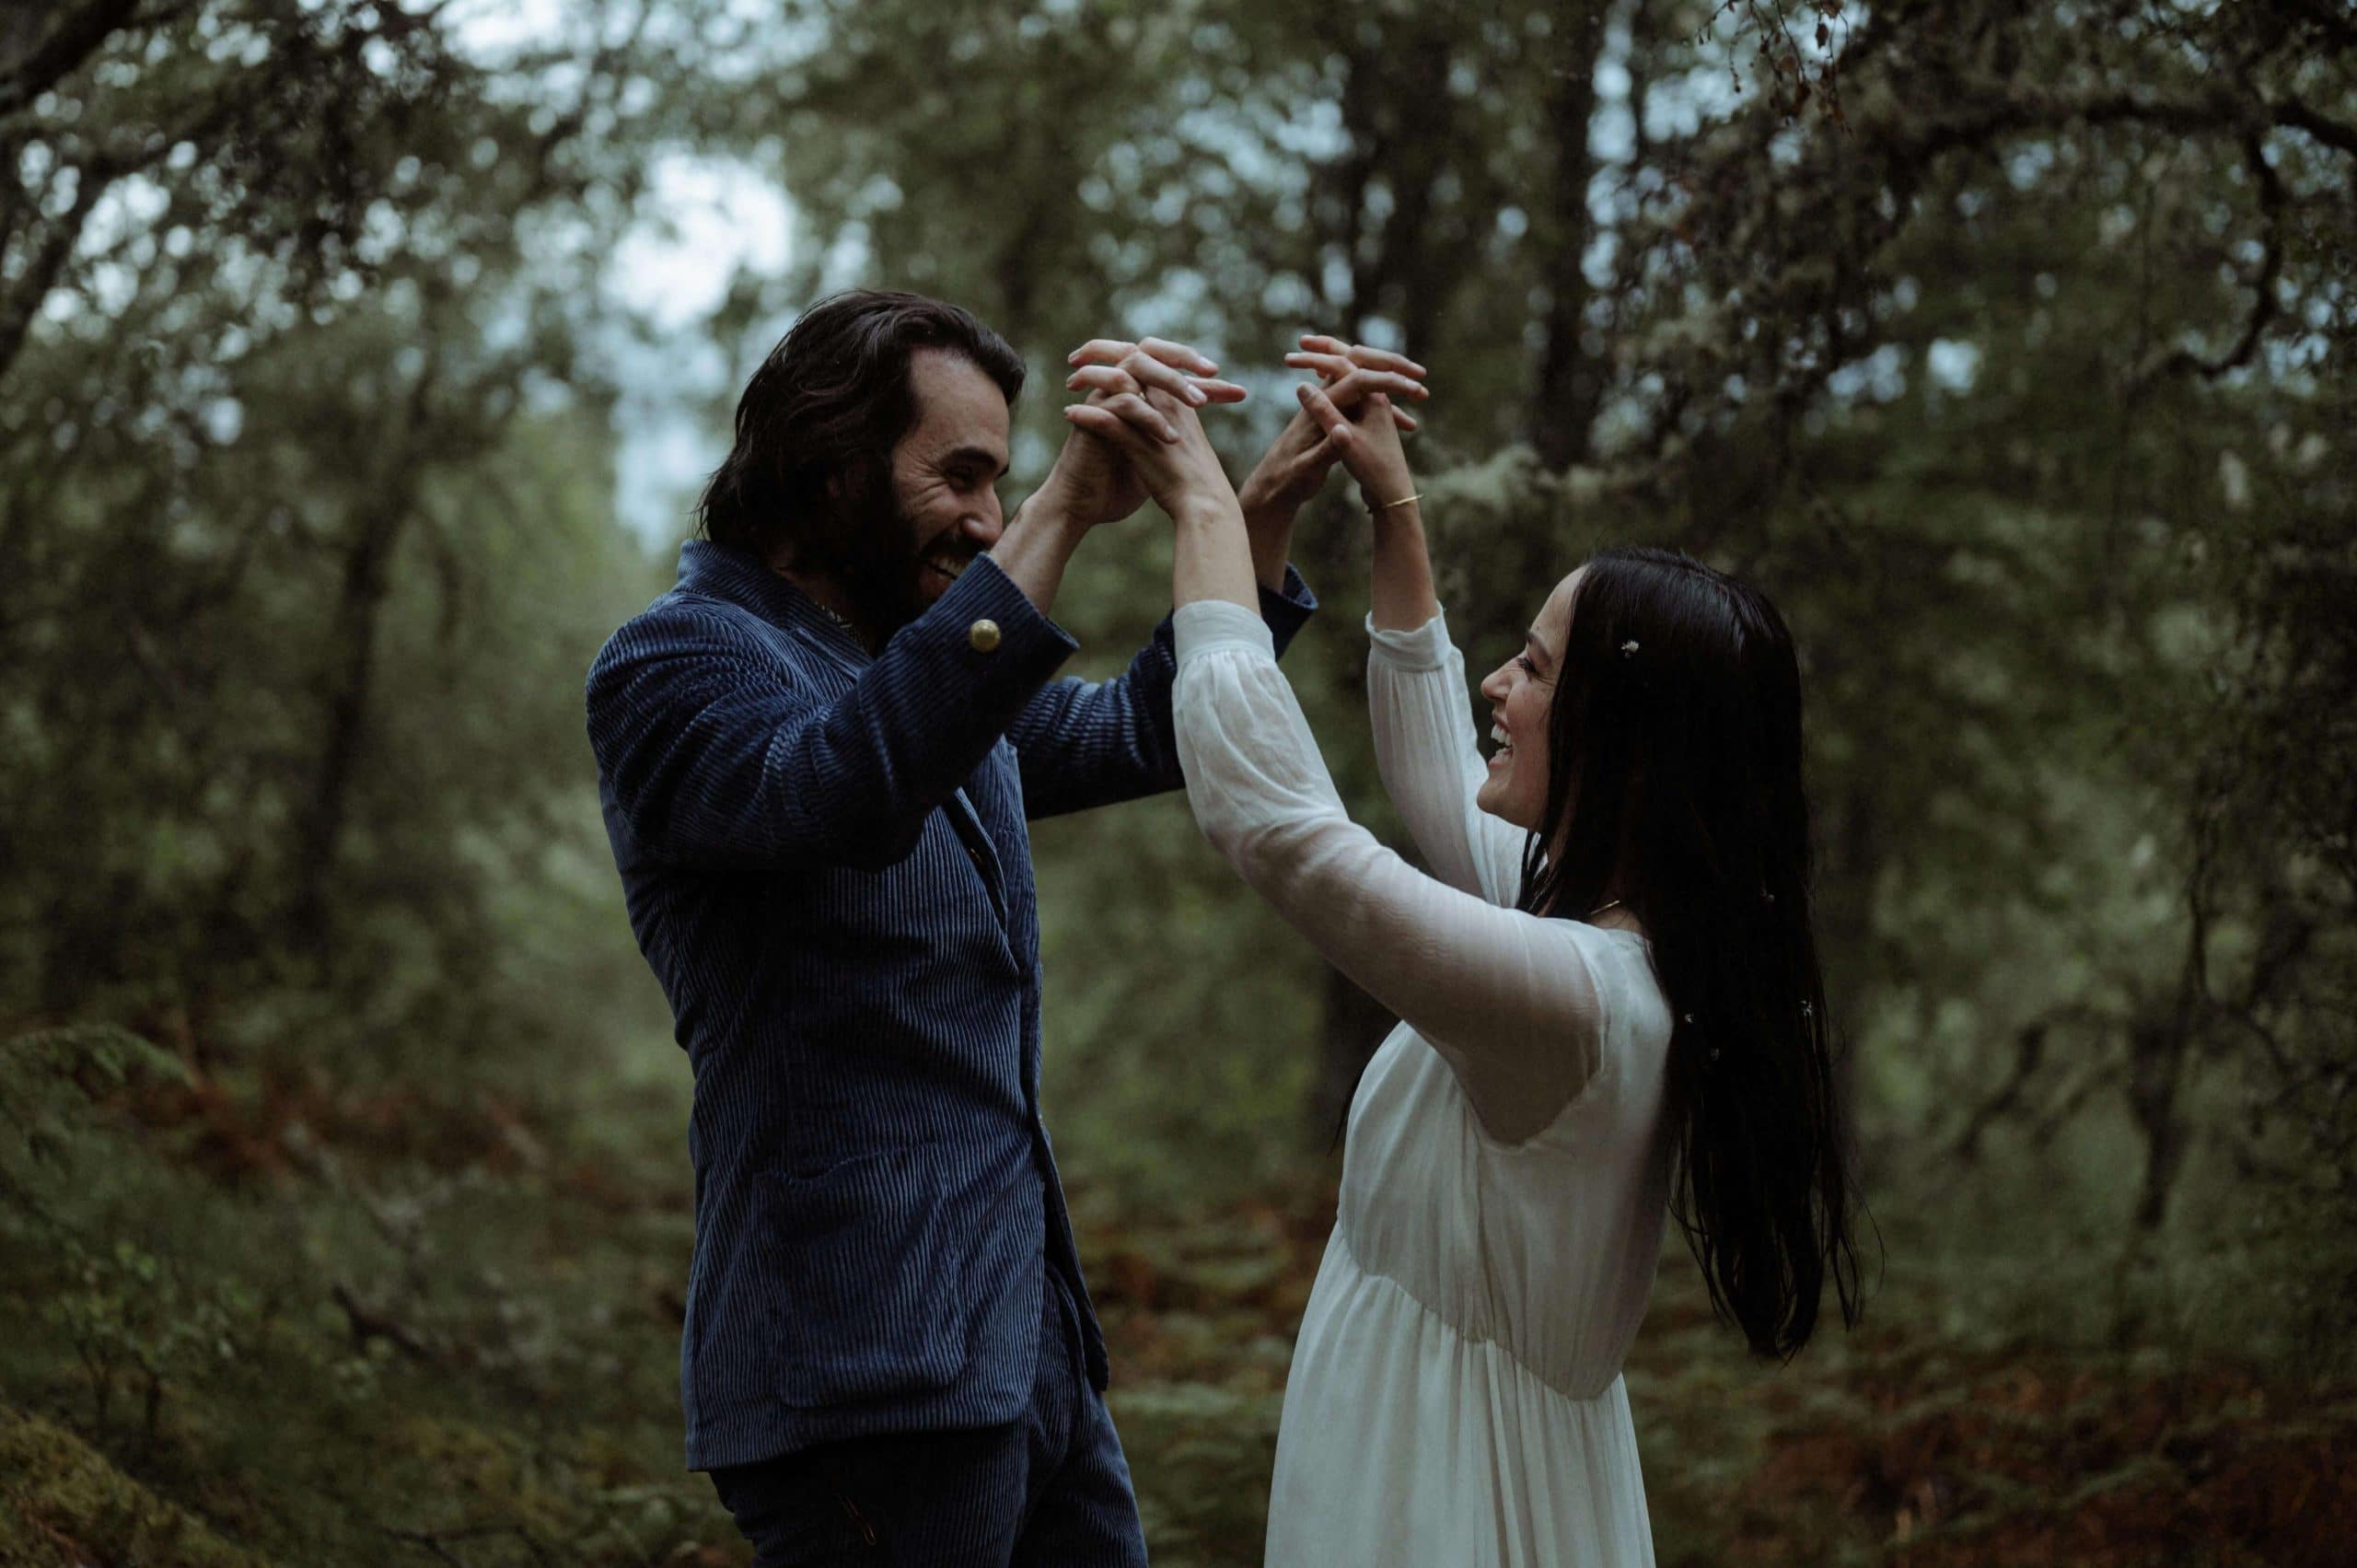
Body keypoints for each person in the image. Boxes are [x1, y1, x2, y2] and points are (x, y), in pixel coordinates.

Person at [582, 292, 1423, 1565]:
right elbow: (846, 788)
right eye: (960, 475)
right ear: (825, 473)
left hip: (1022, 1357)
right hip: (861, 1381)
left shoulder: (909, 675)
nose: (985, 513)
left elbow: (1139, 728)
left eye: (1005, 480)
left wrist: (1252, 513)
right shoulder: (674, 663)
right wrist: (1063, 511)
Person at [1063, 339, 1865, 1566]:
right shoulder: (1606, 943)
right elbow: (1437, 765)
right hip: (1455, 1456)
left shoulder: (1570, 996)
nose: (1499, 682)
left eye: (1536, 669)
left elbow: (1276, 827)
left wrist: (1208, 513)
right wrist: (1393, 508)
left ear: (1627, 744)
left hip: (1443, 1496)